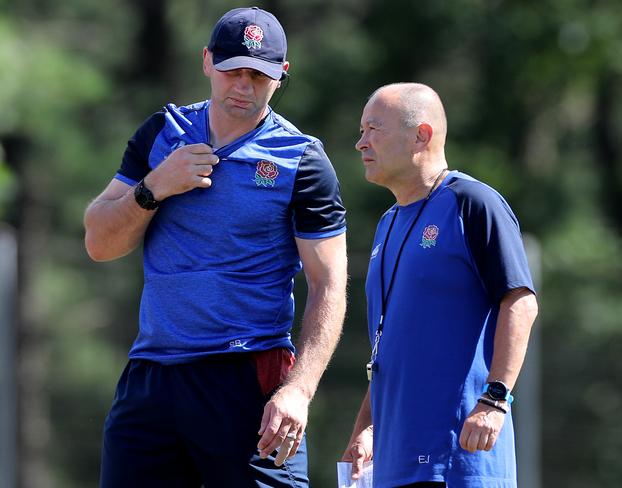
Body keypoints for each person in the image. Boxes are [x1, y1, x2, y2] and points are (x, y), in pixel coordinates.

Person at [84, 7, 347, 487]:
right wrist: (154, 187)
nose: (242, 85)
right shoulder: (161, 134)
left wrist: (299, 392)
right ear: (207, 61)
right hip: (152, 375)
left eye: (258, 75)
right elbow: (99, 241)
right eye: (232, 70)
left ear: (281, 76)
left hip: (247, 374)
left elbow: (328, 284)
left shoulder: (302, 160)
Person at [341, 83, 538, 488]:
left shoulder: (473, 202)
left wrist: (495, 399)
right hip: (394, 464)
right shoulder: (386, 223)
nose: (361, 142)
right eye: (361, 130)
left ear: (422, 134)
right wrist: (367, 427)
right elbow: (389, 344)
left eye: (374, 129)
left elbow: (519, 301)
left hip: (459, 462)